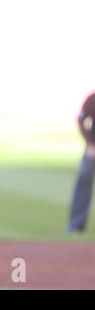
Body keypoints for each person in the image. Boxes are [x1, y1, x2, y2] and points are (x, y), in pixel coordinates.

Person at [67, 92, 95, 234]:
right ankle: (76, 224)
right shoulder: (93, 99)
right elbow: (81, 120)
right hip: (93, 147)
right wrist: (90, 144)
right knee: (84, 177)